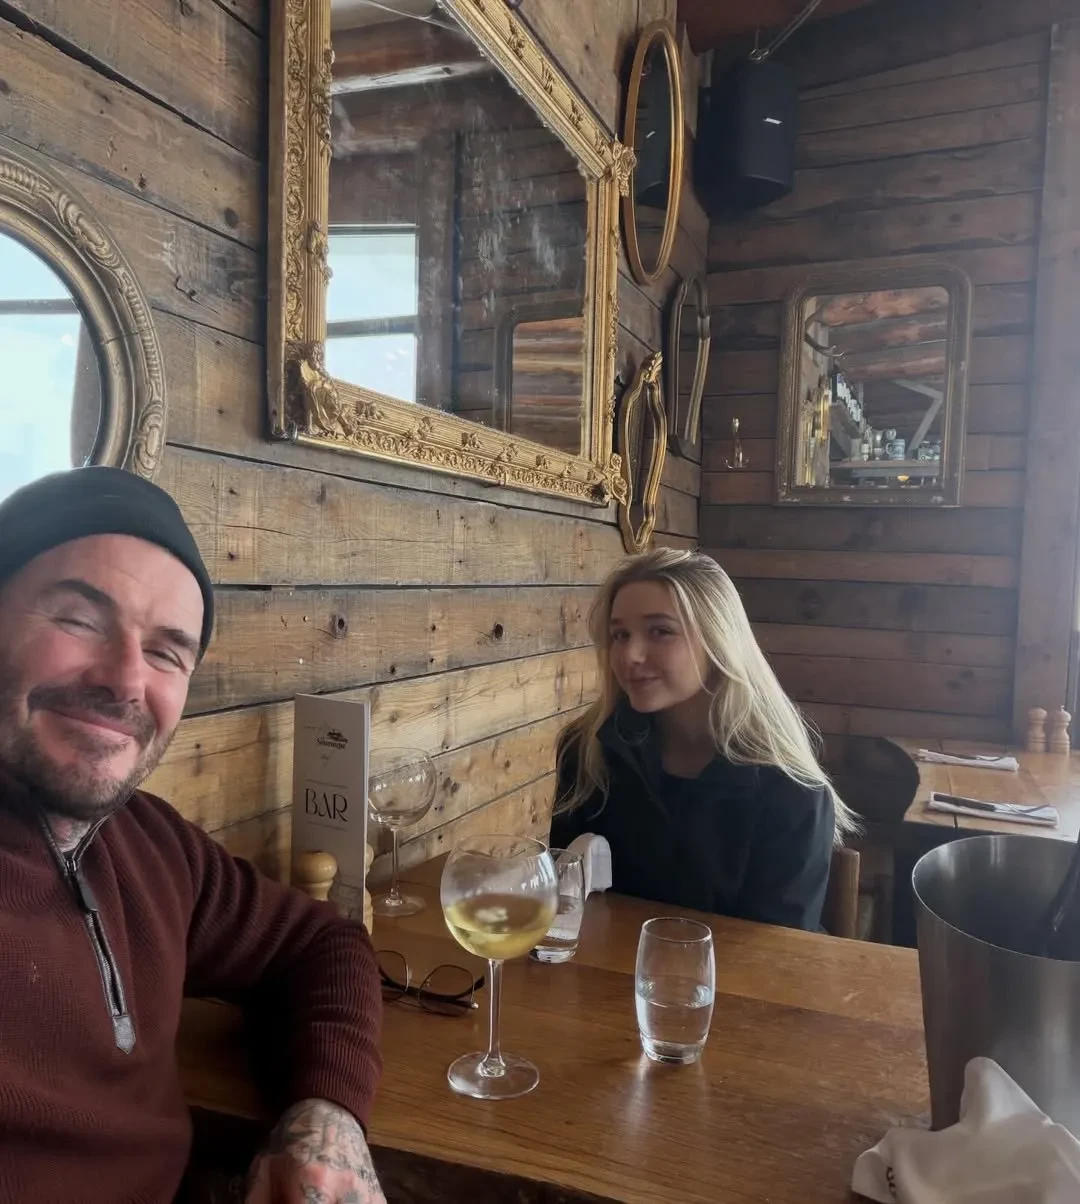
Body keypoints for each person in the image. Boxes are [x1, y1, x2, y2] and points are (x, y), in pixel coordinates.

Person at [0, 467, 386, 1203]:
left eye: (166, 652)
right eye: (78, 620)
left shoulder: (148, 843)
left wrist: (327, 1115)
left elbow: (319, 942)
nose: (125, 680)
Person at [550, 548, 859, 931]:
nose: (630, 654)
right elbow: (563, 899)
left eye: (660, 631)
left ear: (718, 641)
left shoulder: (791, 790)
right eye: (620, 635)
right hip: (607, 965)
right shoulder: (586, 751)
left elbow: (777, 951)